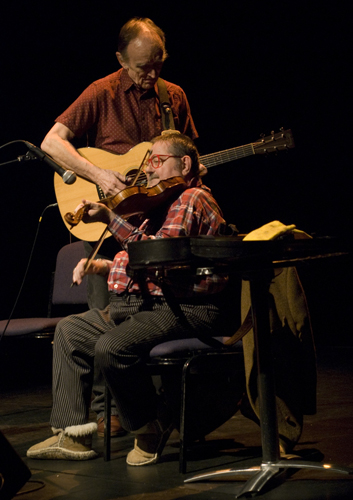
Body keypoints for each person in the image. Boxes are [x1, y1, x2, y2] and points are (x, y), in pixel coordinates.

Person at [27, 133, 235, 465]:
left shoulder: (192, 198)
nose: (148, 170)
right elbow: (145, 260)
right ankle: (72, 434)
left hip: (185, 307)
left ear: (184, 163)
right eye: (147, 160)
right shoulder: (158, 204)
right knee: (70, 331)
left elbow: (159, 255)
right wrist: (106, 265)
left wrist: (111, 219)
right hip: (147, 303)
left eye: (156, 160)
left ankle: (146, 427)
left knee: (113, 347)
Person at [40, 17, 198, 434]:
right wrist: (101, 176)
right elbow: (52, 142)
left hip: (159, 225)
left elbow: (189, 157)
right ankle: (102, 412)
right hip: (109, 223)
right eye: (142, 67)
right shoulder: (102, 91)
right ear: (121, 60)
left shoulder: (174, 96)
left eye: (157, 65)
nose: (150, 76)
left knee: (151, 316)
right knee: (100, 318)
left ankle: (156, 414)